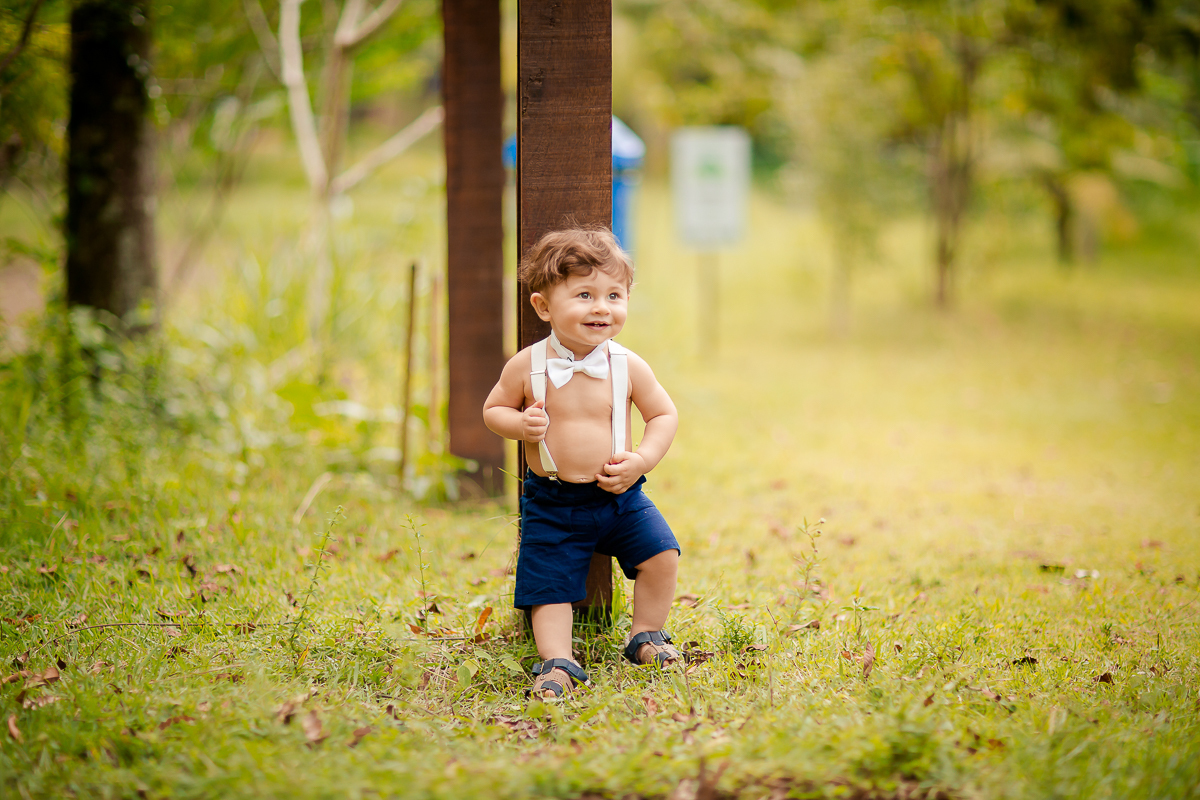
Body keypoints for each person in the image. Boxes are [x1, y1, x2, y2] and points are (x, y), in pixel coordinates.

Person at [483, 227, 682, 699]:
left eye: (614, 295)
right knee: (548, 584)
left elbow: (663, 415)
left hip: (619, 494)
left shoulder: (627, 365)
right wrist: (520, 425)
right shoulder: (526, 365)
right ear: (543, 307)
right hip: (553, 501)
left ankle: (646, 635)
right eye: (585, 295)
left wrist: (641, 460)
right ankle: (558, 661)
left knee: (661, 554)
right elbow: (494, 410)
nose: (601, 307)